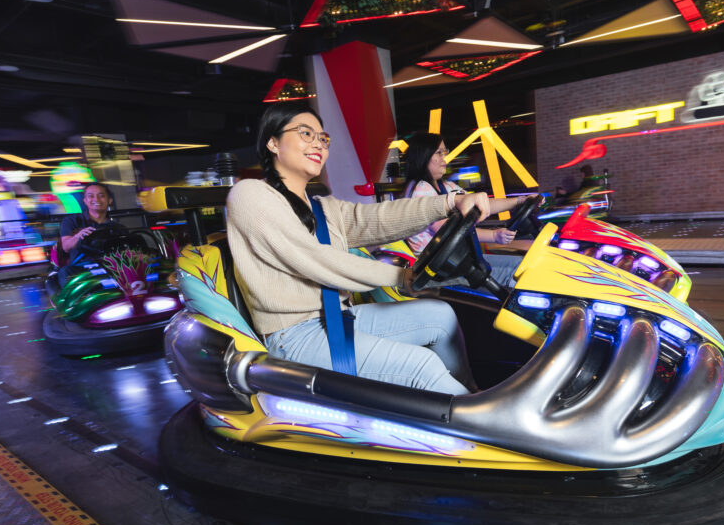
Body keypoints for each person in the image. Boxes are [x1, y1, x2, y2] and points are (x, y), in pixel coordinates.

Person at [225, 104, 493, 395]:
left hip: (339, 316)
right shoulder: (250, 194)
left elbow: (377, 219)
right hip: (294, 335)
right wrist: (400, 276)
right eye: (306, 133)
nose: (318, 143)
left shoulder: (322, 207)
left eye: (323, 138)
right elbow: (315, 260)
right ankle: (481, 428)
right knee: (421, 365)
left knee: (440, 316)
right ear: (273, 142)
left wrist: (447, 203)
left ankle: (470, 398)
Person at [401, 132, 530, 287]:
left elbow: (481, 204)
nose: (444, 158)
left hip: (455, 259)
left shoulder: (445, 186)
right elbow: (445, 230)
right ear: (424, 155)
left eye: (444, 152)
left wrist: (518, 201)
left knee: (523, 265)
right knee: (517, 272)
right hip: (436, 270)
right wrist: (494, 235)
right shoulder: (420, 190)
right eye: (438, 153)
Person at [55, 182, 115, 287]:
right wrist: (78, 236)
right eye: (91, 196)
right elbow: (66, 246)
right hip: (83, 268)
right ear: (85, 201)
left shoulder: (117, 227)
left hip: (110, 267)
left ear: (109, 200)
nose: (96, 199)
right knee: (65, 272)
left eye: (101, 196)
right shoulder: (72, 221)